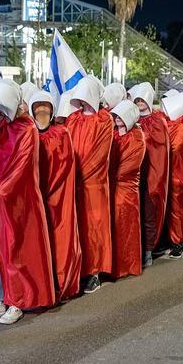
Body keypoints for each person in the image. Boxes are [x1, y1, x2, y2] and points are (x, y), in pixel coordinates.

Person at [0, 79, 55, 324]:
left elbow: (20, 169)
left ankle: (16, 301)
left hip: (18, 204)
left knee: (14, 252)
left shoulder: (26, 129)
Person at [28, 90, 82, 301]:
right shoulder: (28, 134)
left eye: (45, 106)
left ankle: (61, 283)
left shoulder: (61, 133)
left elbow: (67, 166)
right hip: (35, 197)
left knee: (60, 240)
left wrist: (50, 190)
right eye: (37, 106)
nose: (41, 109)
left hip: (57, 198)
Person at [66, 76, 114, 293]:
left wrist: (79, 174)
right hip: (73, 182)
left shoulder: (104, 120)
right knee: (76, 227)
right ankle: (77, 270)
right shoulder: (73, 119)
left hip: (92, 184)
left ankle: (93, 272)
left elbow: (99, 154)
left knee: (93, 227)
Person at [128, 82, 170, 266]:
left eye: (142, 99)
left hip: (151, 173)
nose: (139, 102)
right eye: (137, 99)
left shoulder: (157, 121)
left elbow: (161, 150)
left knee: (149, 213)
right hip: (133, 175)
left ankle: (147, 251)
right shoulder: (131, 120)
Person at [108, 99, 145, 278]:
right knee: (114, 226)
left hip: (126, 189)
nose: (117, 118)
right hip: (112, 187)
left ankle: (126, 265)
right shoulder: (113, 135)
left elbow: (130, 166)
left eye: (121, 115)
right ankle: (114, 265)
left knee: (126, 226)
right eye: (115, 115)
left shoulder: (137, 137)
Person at [161, 91, 183, 259]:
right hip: (167, 172)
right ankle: (171, 239)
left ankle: (177, 241)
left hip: (177, 173)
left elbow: (176, 148)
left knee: (176, 208)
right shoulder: (168, 123)